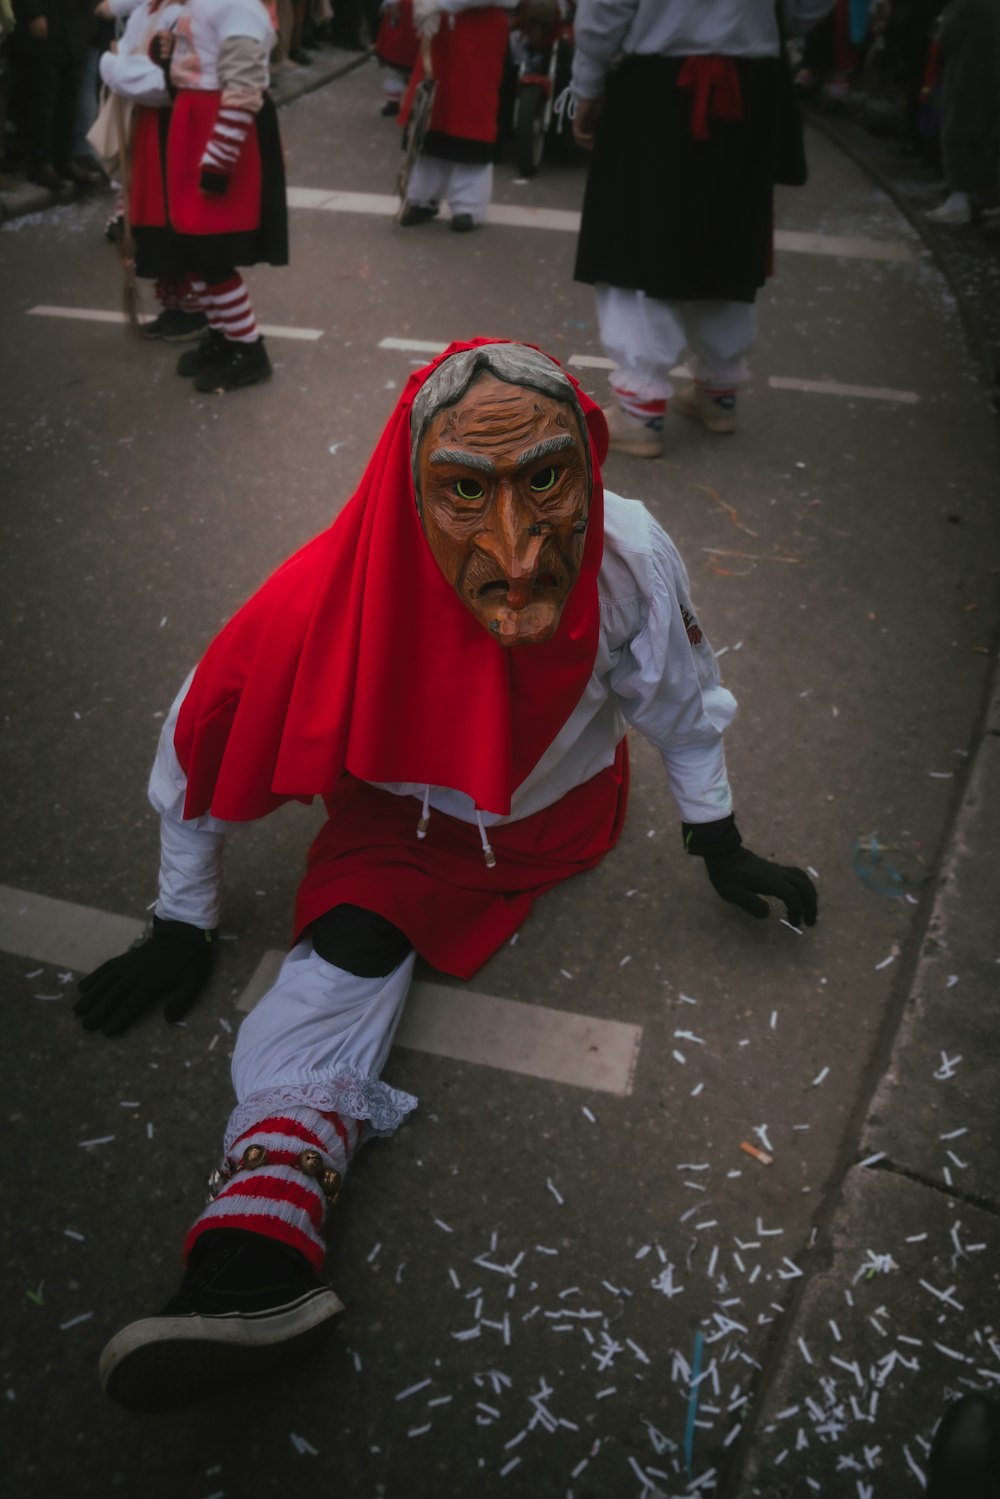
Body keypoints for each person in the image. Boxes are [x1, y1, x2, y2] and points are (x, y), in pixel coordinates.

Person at [76, 339, 817, 1412]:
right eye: (466, 491)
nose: (517, 554)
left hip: (554, 818)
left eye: (546, 481)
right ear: (409, 494)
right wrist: (182, 912)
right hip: (399, 821)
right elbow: (203, 736)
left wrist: (716, 833)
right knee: (349, 942)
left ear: (589, 468)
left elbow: (676, 694)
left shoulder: (624, 558)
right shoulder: (323, 596)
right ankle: (253, 1252)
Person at [569, 0, 836, 457]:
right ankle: (718, 394)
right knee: (726, 235)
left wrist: (586, 87)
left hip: (657, 88)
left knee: (638, 242)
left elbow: (606, 9)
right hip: (752, 85)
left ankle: (640, 411)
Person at [147, 0, 287, 392]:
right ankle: (224, 336)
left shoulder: (239, 8)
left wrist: (219, 159)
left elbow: (243, 87)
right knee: (192, 248)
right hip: (194, 122)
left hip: (218, 128)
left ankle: (248, 349)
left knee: (212, 253)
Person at [97, 0, 210, 342]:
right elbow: (133, 59)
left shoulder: (189, 13)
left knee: (171, 215)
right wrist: (120, 68)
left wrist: (113, 68)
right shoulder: (149, 8)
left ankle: (195, 309)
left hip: (172, 125)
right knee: (150, 214)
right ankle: (172, 303)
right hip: (148, 125)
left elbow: (165, 82)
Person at [397, 0, 515, 231]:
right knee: (433, 114)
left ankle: (468, 203)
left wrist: (441, 3)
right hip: (442, 31)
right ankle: (422, 196)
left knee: (471, 116)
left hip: (481, 31)